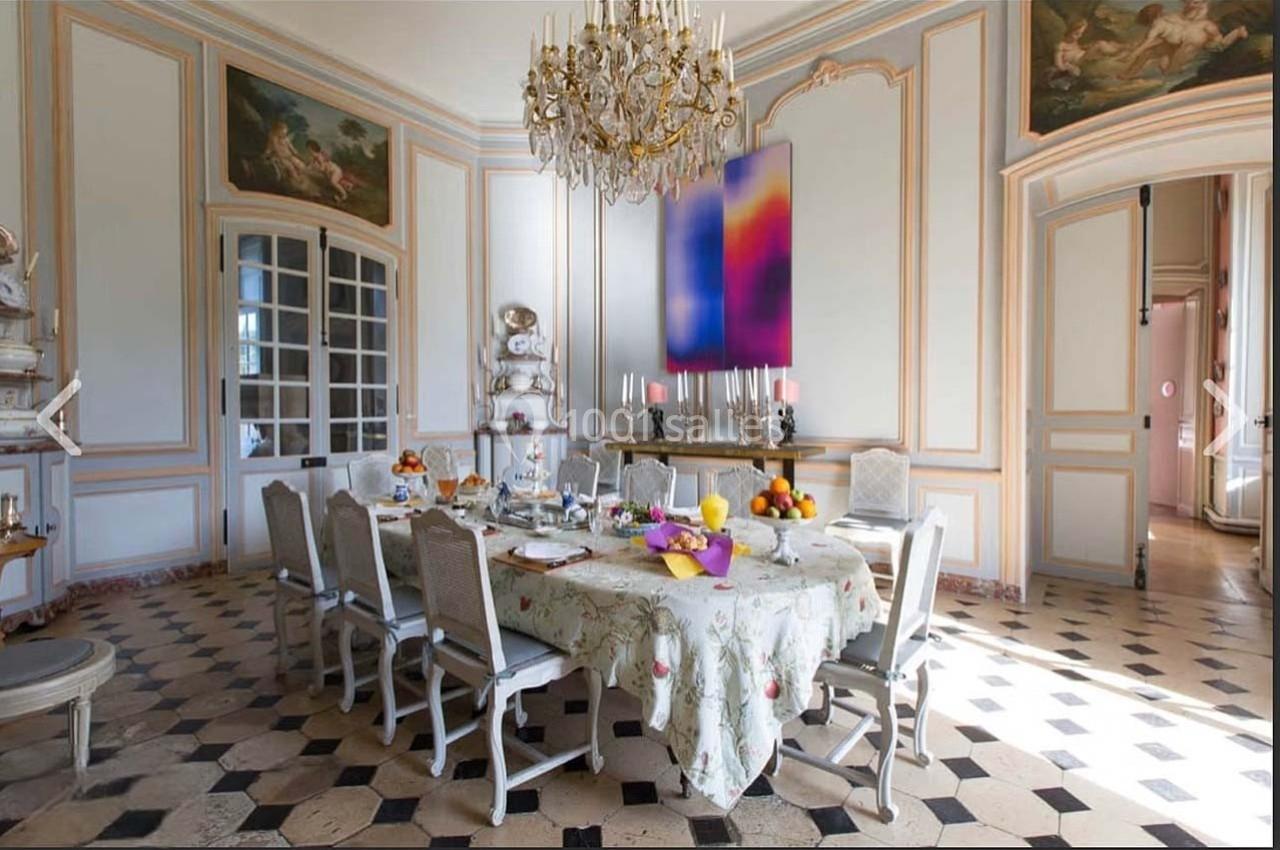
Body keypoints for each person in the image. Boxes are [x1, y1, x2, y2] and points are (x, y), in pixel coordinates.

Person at [1122, 0, 1249, 79]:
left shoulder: (1162, 22)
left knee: (1218, 46)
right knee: (1153, 57)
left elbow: (1148, 42)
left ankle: (1237, 32)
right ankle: (1128, 74)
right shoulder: (1170, 18)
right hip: (1182, 40)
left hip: (1198, 36)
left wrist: (1134, 53)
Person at [263, 121, 307, 186]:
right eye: (282, 132)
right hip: (280, 157)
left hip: (289, 156)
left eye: (285, 132)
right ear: (278, 131)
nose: (284, 133)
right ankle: (297, 181)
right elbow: (272, 149)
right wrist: (266, 154)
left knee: (300, 165)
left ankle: (303, 177)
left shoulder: (286, 139)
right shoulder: (273, 138)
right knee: (290, 167)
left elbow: (292, 149)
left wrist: (298, 155)